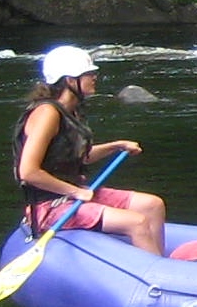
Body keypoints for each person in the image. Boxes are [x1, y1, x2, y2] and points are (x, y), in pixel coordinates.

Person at [12, 45, 166, 254]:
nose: (95, 77)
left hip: (74, 195)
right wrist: (75, 191)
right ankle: (154, 278)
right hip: (50, 207)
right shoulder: (47, 113)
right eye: (88, 74)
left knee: (152, 205)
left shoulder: (71, 112)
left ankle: (161, 264)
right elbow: (28, 172)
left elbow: (79, 158)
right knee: (137, 222)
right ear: (69, 80)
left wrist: (116, 146)